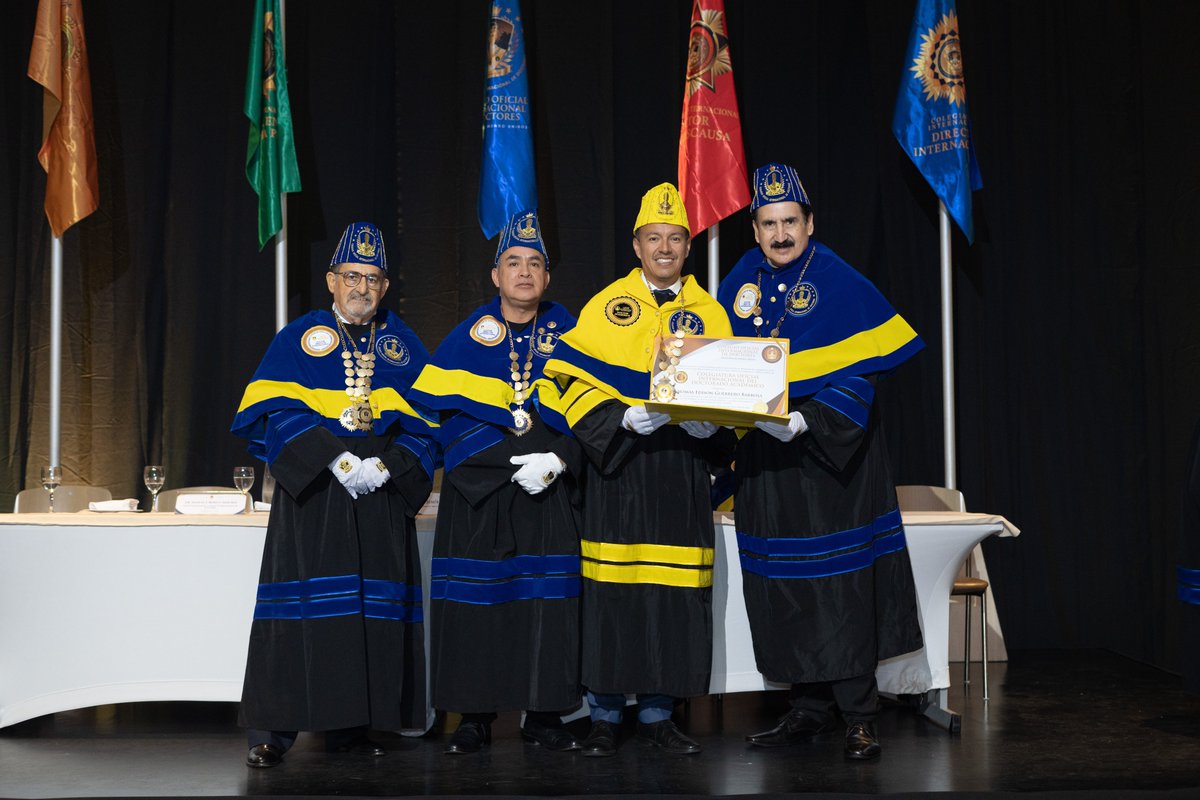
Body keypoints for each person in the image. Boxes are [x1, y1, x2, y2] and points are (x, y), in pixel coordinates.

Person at [715, 163, 925, 760]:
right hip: (767, 467)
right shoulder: (738, 284)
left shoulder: (839, 281)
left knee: (840, 589)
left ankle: (860, 714)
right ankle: (807, 710)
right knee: (783, 585)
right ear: (754, 230)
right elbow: (717, 367)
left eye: (790, 222)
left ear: (810, 223)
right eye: (768, 224)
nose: (780, 234)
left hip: (833, 465)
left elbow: (865, 372)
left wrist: (811, 419)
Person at [230, 221, 437, 768]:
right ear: (331, 280)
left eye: (372, 278)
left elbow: (427, 424)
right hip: (316, 496)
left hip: (377, 497)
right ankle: (274, 733)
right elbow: (276, 412)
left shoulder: (404, 344)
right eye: (352, 276)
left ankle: (351, 726)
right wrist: (335, 459)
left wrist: (389, 467)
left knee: (365, 617)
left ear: (386, 286)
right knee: (304, 612)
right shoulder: (298, 337)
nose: (362, 288)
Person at [544, 183, 735, 756]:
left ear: (686, 247)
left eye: (676, 239)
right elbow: (569, 383)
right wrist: (620, 419)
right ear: (636, 245)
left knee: (671, 596)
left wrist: (714, 430)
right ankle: (603, 715)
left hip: (679, 476)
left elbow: (737, 396)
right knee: (613, 595)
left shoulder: (710, 312)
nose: (665, 248)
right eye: (654, 238)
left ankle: (658, 714)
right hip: (618, 477)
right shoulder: (605, 307)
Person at [407, 210, 584, 754]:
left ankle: (545, 715)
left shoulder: (575, 333)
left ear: (548, 277)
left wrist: (556, 459)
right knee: (478, 609)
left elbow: (593, 408)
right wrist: (510, 459)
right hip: (480, 496)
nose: (525, 272)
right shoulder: (468, 337)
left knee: (546, 604)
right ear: (495, 275)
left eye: (535, 263)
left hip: (548, 491)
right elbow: (442, 418)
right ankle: (476, 717)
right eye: (514, 262)